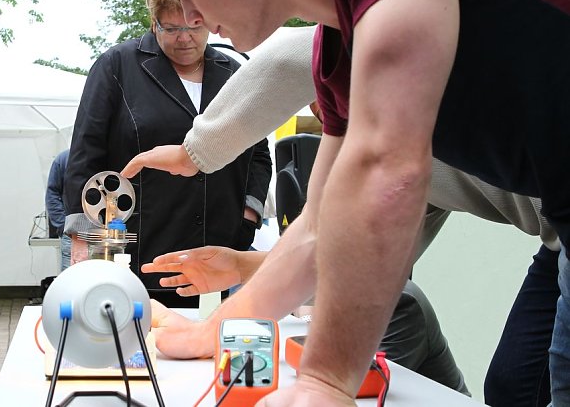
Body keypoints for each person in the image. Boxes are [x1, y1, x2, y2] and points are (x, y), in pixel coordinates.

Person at [129, 0, 570, 403]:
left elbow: (389, 165)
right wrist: (212, 331)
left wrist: (324, 380)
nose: (191, 20)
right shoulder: (337, 56)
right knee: (516, 388)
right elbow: (319, 227)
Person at [126, 25, 560, 399]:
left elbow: (292, 53)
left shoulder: (389, 75)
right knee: (514, 385)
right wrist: (242, 265)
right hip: (557, 238)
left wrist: (194, 153)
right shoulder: (396, 165)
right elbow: (353, 255)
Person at [63, 0, 271, 307]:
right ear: (154, 23)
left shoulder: (236, 74)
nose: (184, 37)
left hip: (216, 250)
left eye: (194, 26)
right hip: (137, 246)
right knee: (136, 339)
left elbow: (258, 152)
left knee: (201, 343)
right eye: (172, 28)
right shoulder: (117, 67)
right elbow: (85, 154)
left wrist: (248, 215)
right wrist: (82, 237)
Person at [45, 149, 73, 271]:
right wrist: (63, 225)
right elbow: (52, 195)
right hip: (71, 232)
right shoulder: (63, 159)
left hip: (102, 234)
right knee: (71, 280)